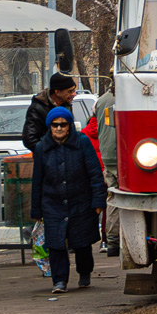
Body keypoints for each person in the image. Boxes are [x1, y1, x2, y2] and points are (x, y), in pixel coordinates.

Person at [30, 105, 106, 293]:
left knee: (81, 242)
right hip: (52, 203)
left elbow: (95, 174)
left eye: (63, 124)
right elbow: (37, 180)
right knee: (55, 244)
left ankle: (84, 273)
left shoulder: (82, 143)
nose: (59, 128)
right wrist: (36, 210)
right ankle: (59, 281)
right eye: (55, 125)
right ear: (50, 127)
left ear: (69, 126)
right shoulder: (42, 148)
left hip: (80, 201)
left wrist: (98, 201)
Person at [91, 86, 119, 257]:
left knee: (113, 199)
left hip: (108, 155)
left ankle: (112, 241)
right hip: (124, 154)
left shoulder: (100, 101)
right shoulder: (127, 95)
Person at [22, 73, 77, 151]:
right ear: (57, 92)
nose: (74, 94)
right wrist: (50, 153)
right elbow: (30, 139)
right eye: (70, 91)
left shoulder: (67, 106)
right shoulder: (37, 108)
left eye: (74, 90)